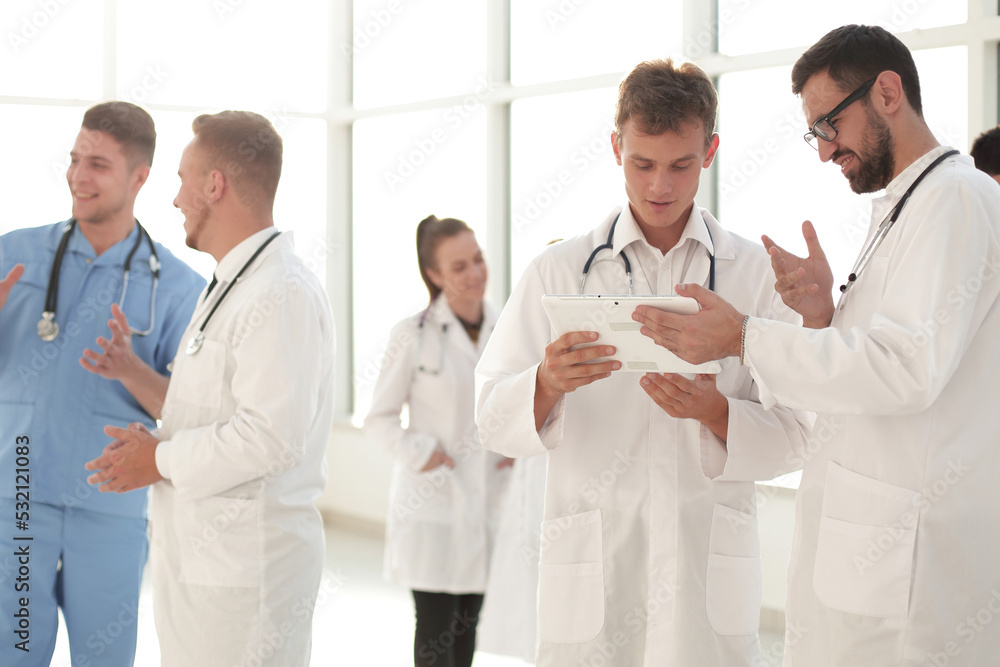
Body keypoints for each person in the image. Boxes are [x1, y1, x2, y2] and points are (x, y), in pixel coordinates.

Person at [634, 25, 1000, 666]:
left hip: (908, 574)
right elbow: (881, 360)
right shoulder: (908, 205)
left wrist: (744, 336)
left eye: (830, 125)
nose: (826, 152)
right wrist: (821, 316)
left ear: (887, 92)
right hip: (874, 558)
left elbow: (906, 370)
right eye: (816, 134)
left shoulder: (956, 201)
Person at [475, 59, 811, 666]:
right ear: (615, 148)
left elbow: (798, 434)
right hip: (597, 571)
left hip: (704, 570)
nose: (661, 186)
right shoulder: (559, 272)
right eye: (643, 163)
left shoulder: (753, 276)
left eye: (681, 165)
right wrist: (547, 384)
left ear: (710, 152)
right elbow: (491, 417)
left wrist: (718, 413)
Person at [83, 110, 335, 667]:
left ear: (214, 185)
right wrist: (132, 374)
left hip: (249, 574)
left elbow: (271, 438)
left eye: (180, 180)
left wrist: (160, 459)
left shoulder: (280, 291)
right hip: (207, 569)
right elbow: (208, 409)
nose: (174, 199)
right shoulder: (231, 283)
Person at [0, 101, 204, 666]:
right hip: (17, 499)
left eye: (98, 164)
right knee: (13, 653)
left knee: (105, 657)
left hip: (111, 505)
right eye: (74, 159)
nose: (78, 176)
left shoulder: (180, 286)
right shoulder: (12, 255)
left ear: (140, 178)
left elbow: (189, 411)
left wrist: (129, 368)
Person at [363, 215, 510, 667]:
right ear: (435, 275)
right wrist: (421, 454)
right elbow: (379, 419)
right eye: (459, 266)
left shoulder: (506, 329)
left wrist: (517, 446)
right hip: (433, 503)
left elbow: (520, 402)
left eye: (478, 260)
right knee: (434, 636)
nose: (475, 274)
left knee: (469, 630)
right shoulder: (413, 334)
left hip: (489, 500)